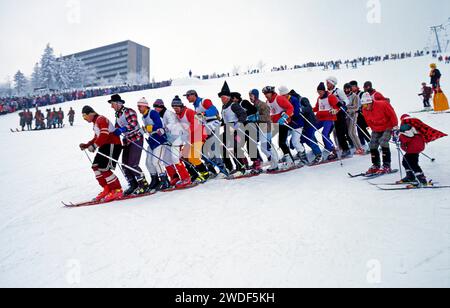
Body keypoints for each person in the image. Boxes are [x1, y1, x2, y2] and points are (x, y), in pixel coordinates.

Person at [79, 105, 123, 202]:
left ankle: (117, 189)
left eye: (85, 116)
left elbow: (104, 134)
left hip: (112, 144)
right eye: (83, 117)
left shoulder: (101, 119)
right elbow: (97, 137)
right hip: (105, 145)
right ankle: (107, 188)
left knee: (104, 168)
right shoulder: (95, 123)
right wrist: (87, 145)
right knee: (95, 166)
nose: (84, 119)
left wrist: (94, 146)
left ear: (91, 114)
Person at [109, 94, 149, 196]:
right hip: (127, 141)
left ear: (118, 103)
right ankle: (133, 184)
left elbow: (133, 123)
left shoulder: (128, 111)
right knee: (125, 165)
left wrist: (123, 129)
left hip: (136, 138)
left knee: (133, 164)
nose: (111, 106)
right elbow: (117, 127)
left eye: (112, 104)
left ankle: (143, 185)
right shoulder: (117, 115)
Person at [153, 99, 193, 188]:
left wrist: (164, 129)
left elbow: (172, 123)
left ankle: (186, 178)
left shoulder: (168, 113)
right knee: (166, 159)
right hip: (169, 139)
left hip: (178, 136)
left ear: (161, 107)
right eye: (155, 107)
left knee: (175, 158)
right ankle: (174, 177)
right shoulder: (160, 115)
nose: (156, 109)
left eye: (157, 107)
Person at [184, 89, 224, 177]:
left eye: (188, 96)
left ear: (193, 95)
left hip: (213, 124)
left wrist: (203, 113)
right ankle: (212, 169)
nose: (187, 98)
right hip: (205, 127)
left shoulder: (204, 101)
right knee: (204, 149)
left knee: (213, 147)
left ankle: (222, 169)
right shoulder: (195, 106)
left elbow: (214, 110)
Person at [398, 114, 447, 185]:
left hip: (412, 148)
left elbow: (406, 138)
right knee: (405, 161)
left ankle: (422, 180)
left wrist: (399, 137)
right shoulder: (415, 127)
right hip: (415, 147)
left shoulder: (406, 127)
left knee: (412, 163)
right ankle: (410, 176)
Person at [172, 95, 210, 183]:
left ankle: (205, 173)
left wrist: (187, 131)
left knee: (193, 157)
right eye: (174, 108)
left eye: (177, 107)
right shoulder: (178, 115)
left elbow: (195, 123)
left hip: (198, 136)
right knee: (183, 156)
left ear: (181, 106)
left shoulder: (188, 112)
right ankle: (194, 174)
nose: (175, 109)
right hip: (190, 138)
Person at [137, 98, 170, 191]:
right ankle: (155, 180)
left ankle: (165, 180)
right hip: (151, 140)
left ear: (145, 105)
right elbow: (147, 129)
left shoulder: (153, 113)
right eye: (138, 106)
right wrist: (142, 131)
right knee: (148, 162)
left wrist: (148, 128)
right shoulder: (143, 116)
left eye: (139, 106)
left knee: (156, 161)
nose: (138, 108)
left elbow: (159, 125)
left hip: (159, 140)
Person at [361, 93, 398, 175]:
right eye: (363, 106)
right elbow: (368, 120)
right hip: (376, 128)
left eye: (366, 105)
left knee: (383, 142)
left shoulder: (382, 104)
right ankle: (376, 165)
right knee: (372, 145)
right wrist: (372, 127)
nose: (365, 107)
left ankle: (386, 165)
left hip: (388, 126)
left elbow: (392, 115)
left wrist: (395, 126)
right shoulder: (365, 109)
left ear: (370, 102)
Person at [262, 85, 295, 170]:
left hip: (284, 122)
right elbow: (271, 113)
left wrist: (284, 117)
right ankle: (287, 160)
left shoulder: (279, 98)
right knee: (275, 142)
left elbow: (290, 108)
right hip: (276, 124)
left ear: (272, 92)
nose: (266, 95)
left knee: (281, 142)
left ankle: (290, 161)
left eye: (267, 93)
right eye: (264, 93)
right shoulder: (267, 102)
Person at [219, 82, 248, 175]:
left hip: (237, 129)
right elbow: (225, 119)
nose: (221, 99)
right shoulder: (223, 107)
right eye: (221, 98)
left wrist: (238, 124)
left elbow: (243, 114)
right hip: (227, 129)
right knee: (221, 146)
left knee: (235, 148)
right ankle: (229, 167)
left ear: (228, 97)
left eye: (223, 98)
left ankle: (241, 169)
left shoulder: (234, 105)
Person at [288, 89, 323, 165]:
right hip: (303, 123)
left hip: (310, 122)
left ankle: (318, 154)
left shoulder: (303, 99)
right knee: (300, 139)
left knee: (309, 138)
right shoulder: (294, 103)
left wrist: (301, 109)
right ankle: (302, 153)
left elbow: (308, 108)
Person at [249, 89, 279, 171]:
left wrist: (256, 117)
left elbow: (267, 117)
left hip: (265, 127)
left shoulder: (262, 104)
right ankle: (273, 162)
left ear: (255, 95)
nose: (250, 98)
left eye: (251, 96)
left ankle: (275, 164)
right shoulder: (254, 106)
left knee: (266, 147)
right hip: (260, 128)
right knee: (264, 147)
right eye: (249, 96)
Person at [278, 86, 308, 164]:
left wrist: (288, 115)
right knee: (283, 140)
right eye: (281, 96)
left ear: (287, 94)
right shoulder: (281, 101)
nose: (282, 97)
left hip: (297, 124)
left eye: (283, 95)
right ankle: (288, 156)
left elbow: (297, 112)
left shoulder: (293, 99)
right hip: (288, 124)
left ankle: (304, 159)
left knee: (295, 142)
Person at [326, 77, 352, 158]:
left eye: (328, 83)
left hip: (339, 113)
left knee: (341, 132)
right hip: (331, 114)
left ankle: (346, 149)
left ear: (333, 83)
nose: (327, 84)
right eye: (326, 83)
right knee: (334, 133)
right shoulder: (327, 93)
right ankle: (338, 148)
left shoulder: (338, 91)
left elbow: (347, 100)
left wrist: (342, 104)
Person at [313, 82, 338, 161]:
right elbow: (317, 108)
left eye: (320, 91)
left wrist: (335, 110)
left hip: (329, 119)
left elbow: (337, 107)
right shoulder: (319, 98)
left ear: (324, 91)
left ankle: (332, 150)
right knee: (311, 130)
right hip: (320, 119)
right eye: (318, 92)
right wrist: (308, 110)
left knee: (324, 134)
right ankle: (317, 149)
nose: (319, 93)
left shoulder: (330, 97)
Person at [343, 83, 365, 155]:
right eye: (345, 89)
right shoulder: (344, 96)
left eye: (348, 89)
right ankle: (357, 148)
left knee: (351, 132)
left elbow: (356, 107)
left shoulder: (354, 96)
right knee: (349, 133)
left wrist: (347, 108)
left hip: (353, 114)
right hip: (346, 115)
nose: (347, 90)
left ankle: (359, 148)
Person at [350, 80, 371, 150]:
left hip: (362, 114)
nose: (351, 88)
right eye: (351, 87)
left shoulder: (361, 93)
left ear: (356, 86)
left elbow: (365, 103)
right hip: (355, 114)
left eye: (352, 87)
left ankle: (370, 142)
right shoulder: (352, 95)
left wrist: (361, 109)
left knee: (362, 128)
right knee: (358, 128)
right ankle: (362, 143)